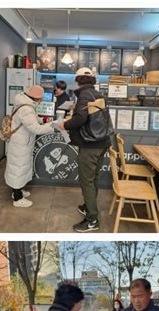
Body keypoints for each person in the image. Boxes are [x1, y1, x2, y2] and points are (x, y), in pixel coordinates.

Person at [59, 67, 111, 232]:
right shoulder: (98, 94)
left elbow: (80, 119)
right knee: (93, 178)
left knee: (86, 181)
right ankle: (88, 206)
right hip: (102, 142)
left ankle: (92, 220)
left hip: (90, 144)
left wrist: (64, 124)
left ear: (78, 80)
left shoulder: (84, 95)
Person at [5, 85, 54, 208]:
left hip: (19, 142)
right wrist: (53, 125)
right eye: (41, 98)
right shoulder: (26, 108)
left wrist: (43, 120)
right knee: (18, 168)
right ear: (36, 97)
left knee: (18, 167)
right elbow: (35, 128)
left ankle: (17, 191)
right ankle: (17, 198)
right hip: (20, 143)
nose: (41, 100)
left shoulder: (23, 103)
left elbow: (31, 120)